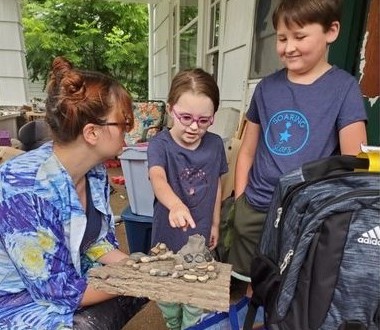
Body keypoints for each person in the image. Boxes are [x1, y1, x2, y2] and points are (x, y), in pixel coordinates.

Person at [228, 0, 368, 288]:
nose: (288, 47)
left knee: (292, 286)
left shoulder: (344, 88)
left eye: (300, 36)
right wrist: (241, 201)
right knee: (249, 282)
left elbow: (355, 166)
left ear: (331, 31)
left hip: (306, 212)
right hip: (256, 206)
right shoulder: (266, 88)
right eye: (282, 38)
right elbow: (248, 151)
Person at [0, 56, 147, 329]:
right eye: (124, 122)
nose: (130, 129)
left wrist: (139, 268)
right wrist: (140, 279)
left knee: (145, 281)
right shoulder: (26, 190)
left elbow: (96, 242)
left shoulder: (95, 171)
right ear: (91, 132)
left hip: (70, 279)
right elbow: (57, 292)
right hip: (18, 302)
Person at [147, 68, 228, 330]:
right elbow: (157, 178)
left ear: (213, 117)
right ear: (171, 110)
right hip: (166, 238)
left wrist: (215, 223)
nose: (194, 126)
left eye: (204, 120)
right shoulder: (160, 144)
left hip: (200, 237)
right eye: (186, 117)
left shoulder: (215, 145)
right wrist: (175, 204)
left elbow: (216, 184)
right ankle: (173, 324)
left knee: (194, 299)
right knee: (168, 297)